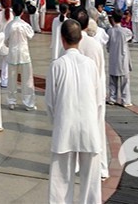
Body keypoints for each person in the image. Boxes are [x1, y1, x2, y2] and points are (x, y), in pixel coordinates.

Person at [46, 19, 102, 204]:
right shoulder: (90, 64)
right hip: (89, 126)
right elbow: (98, 99)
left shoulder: (57, 65)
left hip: (65, 125)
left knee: (60, 180)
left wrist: (58, 122)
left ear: (62, 39)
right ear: (80, 38)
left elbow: (50, 102)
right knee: (91, 181)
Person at [74, 7, 108, 180]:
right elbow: (100, 70)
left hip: (79, 93)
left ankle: (77, 164)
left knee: (77, 129)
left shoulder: (72, 45)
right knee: (97, 130)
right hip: (95, 92)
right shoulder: (94, 45)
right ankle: (100, 167)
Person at [3, 0, 36, 111]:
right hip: (24, 53)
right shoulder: (25, 25)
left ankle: (11, 101)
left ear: (13, 12)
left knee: (12, 79)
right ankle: (28, 103)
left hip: (12, 54)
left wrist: (11, 45)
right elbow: (31, 36)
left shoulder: (9, 25)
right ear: (22, 12)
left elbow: (6, 40)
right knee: (27, 79)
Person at [106, 11, 132, 106]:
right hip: (123, 57)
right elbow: (130, 37)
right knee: (125, 80)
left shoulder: (110, 31)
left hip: (113, 57)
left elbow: (108, 46)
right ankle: (125, 100)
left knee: (113, 80)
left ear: (112, 19)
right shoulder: (126, 31)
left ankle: (112, 98)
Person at [0, 0, 14, 88]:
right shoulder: (12, 14)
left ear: (1, 4)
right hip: (8, 41)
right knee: (6, 63)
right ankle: (4, 81)